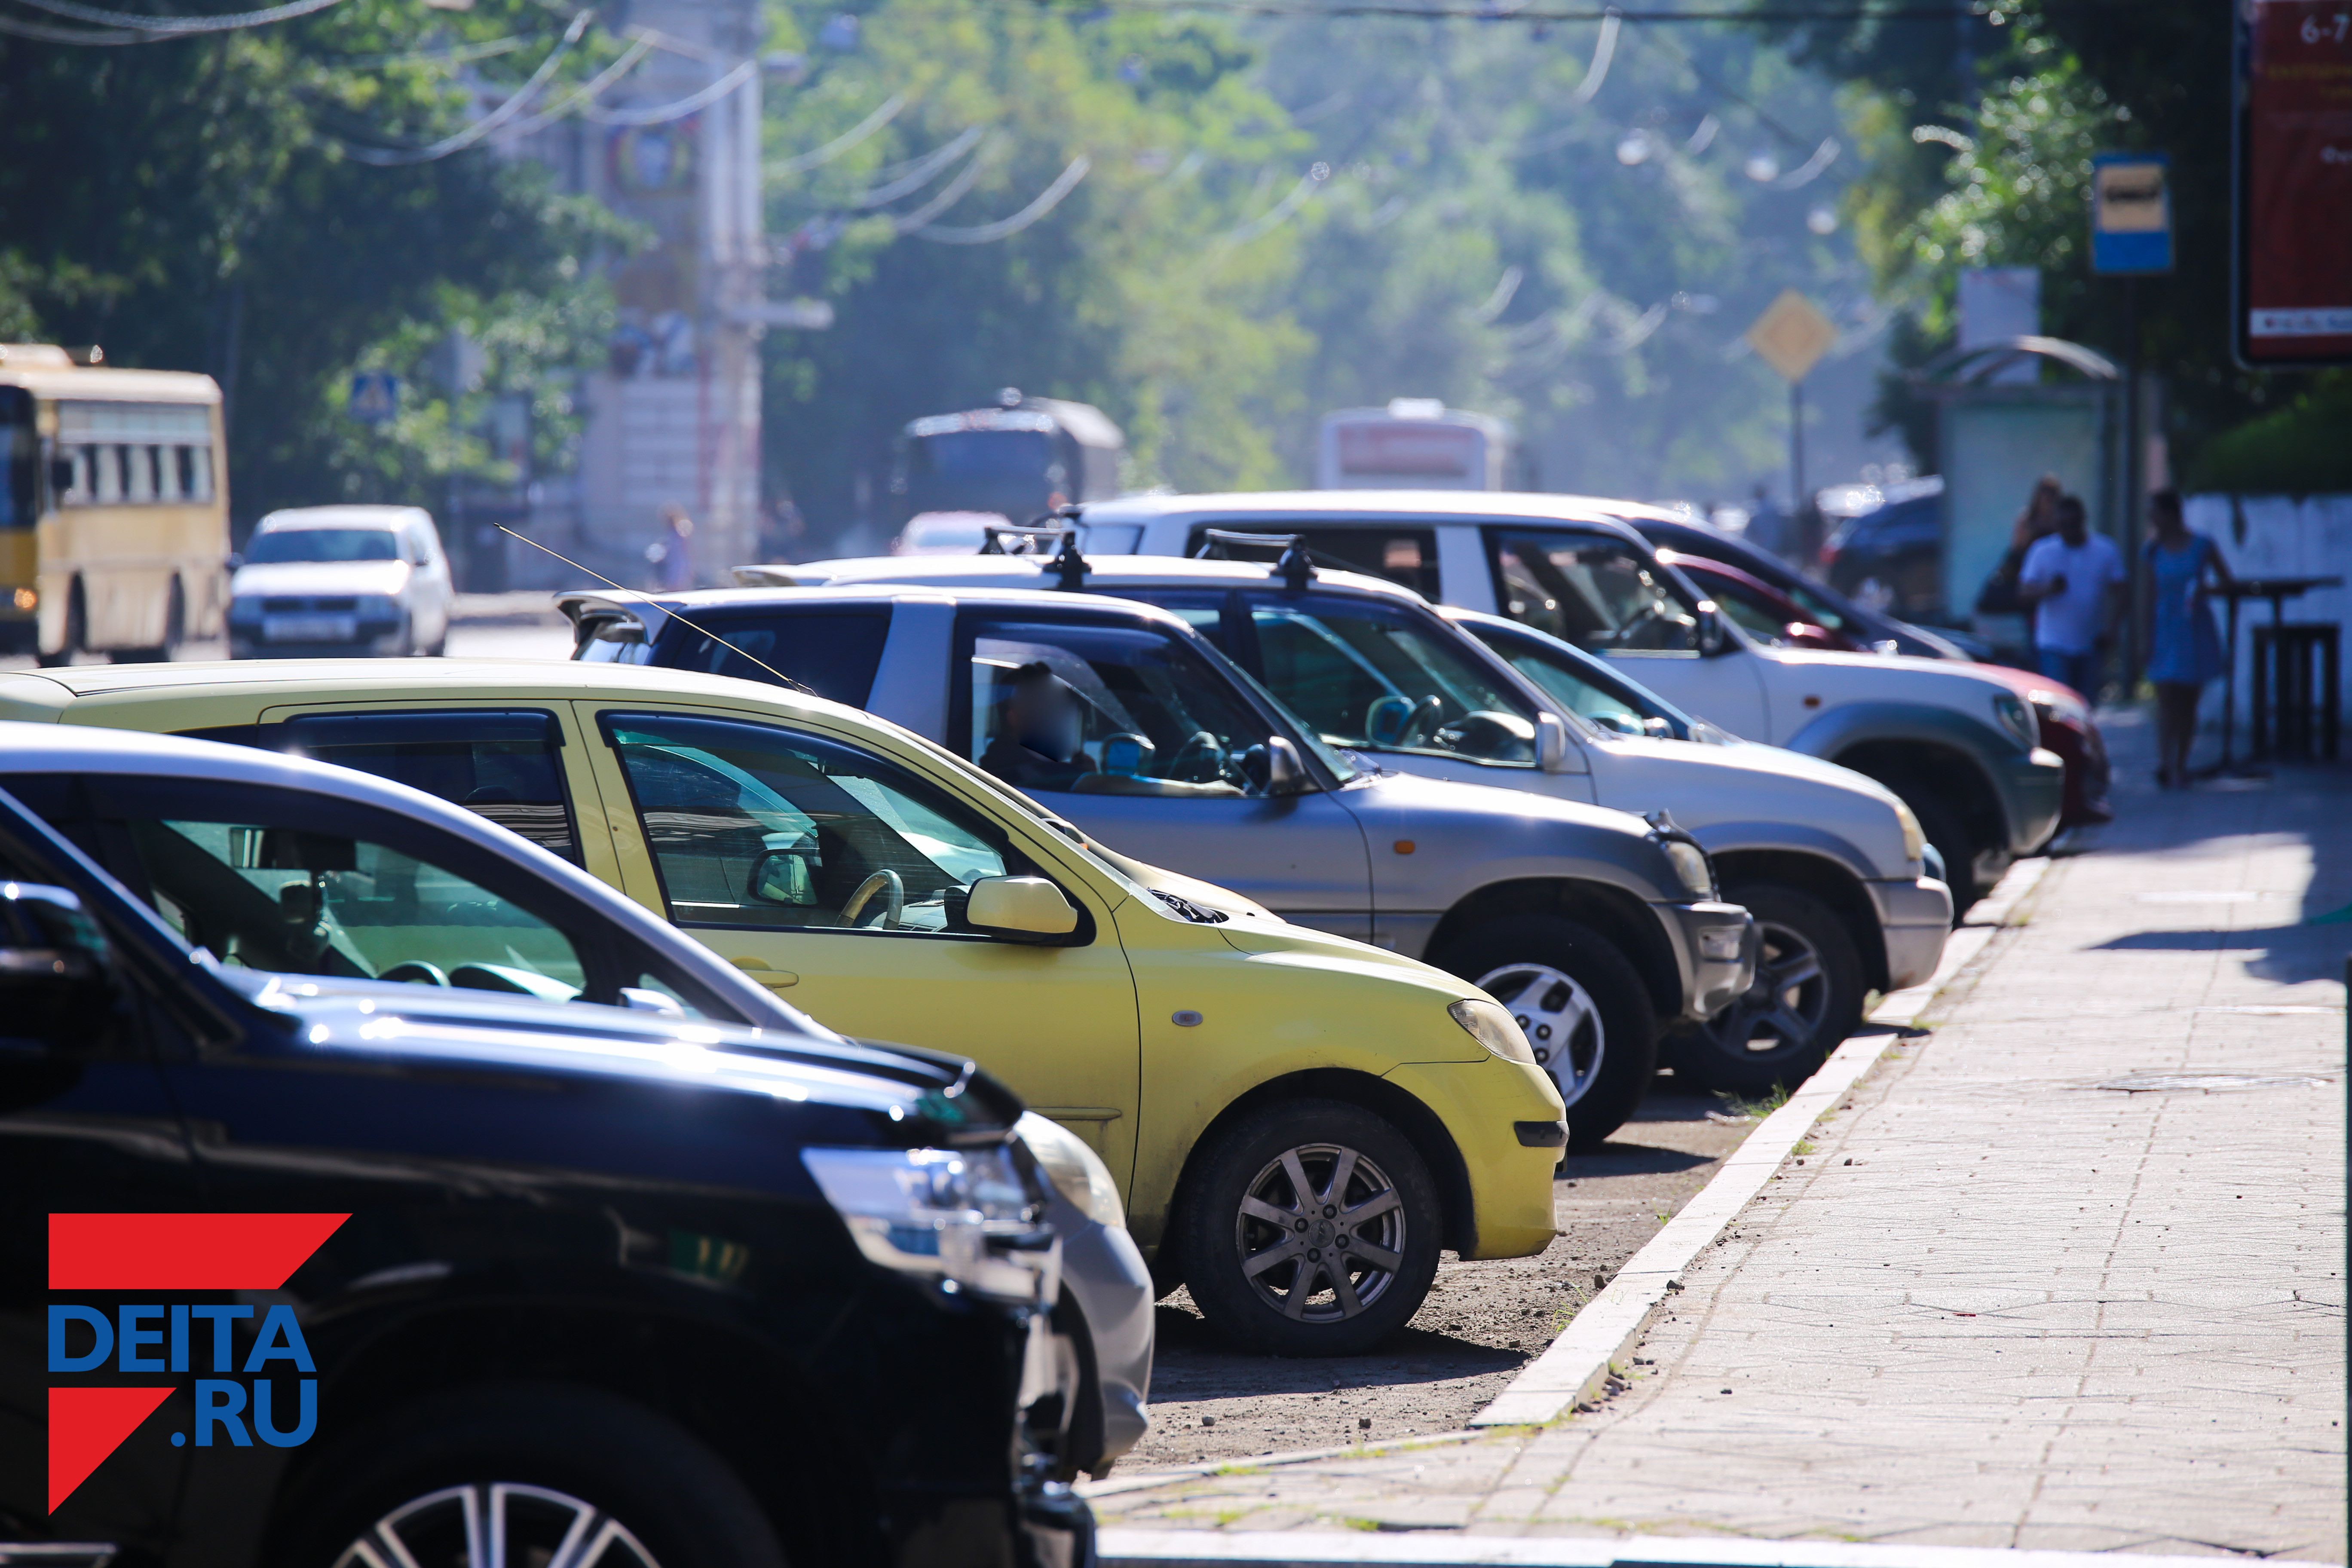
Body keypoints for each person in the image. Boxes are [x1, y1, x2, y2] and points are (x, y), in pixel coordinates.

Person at [2142, 488, 2233, 788]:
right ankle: (2163, 762)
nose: (2151, 517)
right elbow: (2149, 596)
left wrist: (2206, 591)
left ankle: (2181, 763)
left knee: (2188, 700)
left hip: (2193, 626)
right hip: (2166, 628)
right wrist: (2145, 637)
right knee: (2167, 697)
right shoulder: (2153, 551)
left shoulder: (2202, 545)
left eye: (2155, 511)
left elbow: (2227, 583)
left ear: (2170, 514)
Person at [2018, 493, 2126, 698]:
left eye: (2073, 523)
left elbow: (2122, 591)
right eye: (2063, 524)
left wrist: (2112, 629)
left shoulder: (2105, 550)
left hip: (2092, 642)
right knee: (2061, 702)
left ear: (2082, 521)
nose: (2068, 529)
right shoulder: (2043, 551)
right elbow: (2024, 591)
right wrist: (2048, 590)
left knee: (2087, 703)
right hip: (2054, 643)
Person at [978, 662, 1096, 791]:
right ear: (1015, 717)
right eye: (1047, 705)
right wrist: (1086, 780)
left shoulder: (995, 766)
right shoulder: (1027, 775)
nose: (1060, 716)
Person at [1975, 475, 2065, 617]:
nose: (2047, 498)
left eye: (2051, 494)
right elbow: (2017, 548)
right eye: (2044, 493)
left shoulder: (2060, 521)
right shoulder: (2027, 519)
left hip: (2049, 572)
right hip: (2027, 572)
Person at [646, 503, 695, 591]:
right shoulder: (670, 536)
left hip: (677, 569)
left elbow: (683, 557)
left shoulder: (680, 535)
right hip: (670, 569)